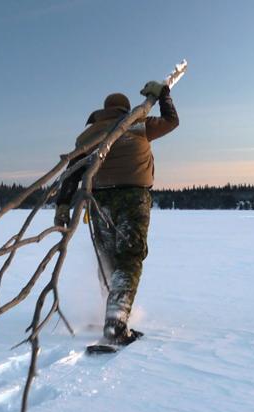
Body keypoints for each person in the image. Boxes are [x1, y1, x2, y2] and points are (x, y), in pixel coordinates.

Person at [54, 81, 179, 345]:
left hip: (99, 202)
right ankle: (116, 322)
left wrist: (63, 205)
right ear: (125, 109)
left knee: (107, 258)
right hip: (133, 198)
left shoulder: (87, 136)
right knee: (129, 257)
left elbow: (71, 173)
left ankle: (111, 313)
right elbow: (172, 121)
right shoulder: (139, 125)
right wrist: (164, 95)